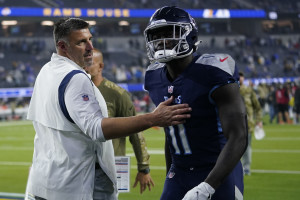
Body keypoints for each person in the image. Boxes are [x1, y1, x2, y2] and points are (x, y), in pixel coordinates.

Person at [25, 17, 191, 200]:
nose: (90, 47)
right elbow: (96, 128)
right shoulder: (76, 78)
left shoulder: (46, 71)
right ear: (62, 46)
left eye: (90, 39)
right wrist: (153, 118)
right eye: (81, 42)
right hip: (72, 185)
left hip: (43, 181)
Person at [143, 6, 248, 200]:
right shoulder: (153, 76)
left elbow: (239, 135)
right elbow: (171, 133)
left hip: (218, 169)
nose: (161, 41)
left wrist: (208, 186)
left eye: (169, 33)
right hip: (179, 173)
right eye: (156, 35)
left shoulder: (213, 71)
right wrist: (169, 174)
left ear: (189, 35)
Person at [84, 48, 154, 194]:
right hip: (80, 168)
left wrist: (144, 168)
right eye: (81, 63)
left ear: (100, 66)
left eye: (88, 63)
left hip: (108, 169)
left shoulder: (117, 94)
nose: (84, 67)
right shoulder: (75, 93)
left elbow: (136, 133)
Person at [239, 72, 263, 175]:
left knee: (247, 146)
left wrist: (259, 120)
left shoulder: (249, 91)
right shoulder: (230, 90)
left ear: (243, 78)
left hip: (248, 124)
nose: (240, 78)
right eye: (238, 76)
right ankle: (236, 169)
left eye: (241, 76)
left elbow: (257, 107)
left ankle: (247, 167)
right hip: (232, 124)